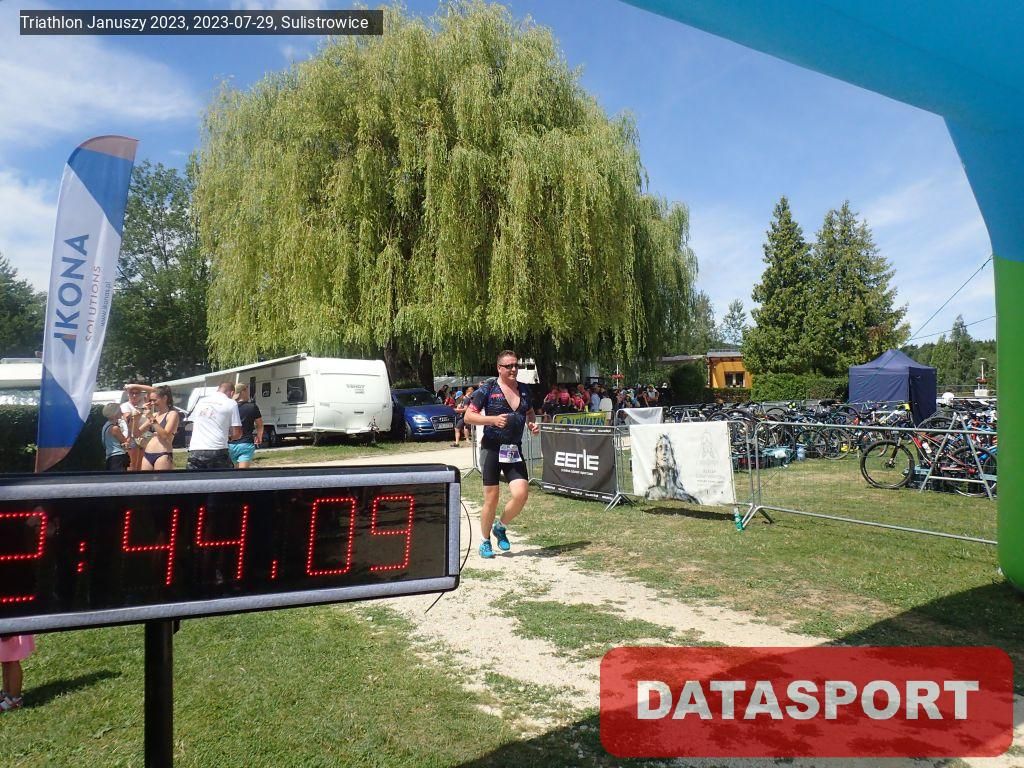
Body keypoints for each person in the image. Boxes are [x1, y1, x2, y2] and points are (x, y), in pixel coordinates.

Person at [464, 350, 540, 559]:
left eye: (516, 365)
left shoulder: (524, 389)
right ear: (499, 368)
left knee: (521, 493)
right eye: (509, 366)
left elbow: (529, 412)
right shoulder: (488, 388)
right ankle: (485, 541)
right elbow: (469, 416)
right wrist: (492, 420)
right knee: (492, 498)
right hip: (492, 448)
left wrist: (532, 424)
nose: (514, 369)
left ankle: (500, 527)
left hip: (513, 449)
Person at [187, 382, 242, 470]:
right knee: (224, 477)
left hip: (196, 448)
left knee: (196, 478)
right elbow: (237, 433)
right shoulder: (231, 403)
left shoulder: (201, 402)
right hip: (218, 448)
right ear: (232, 393)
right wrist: (230, 437)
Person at [127, 384, 179, 471]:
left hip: (163, 454)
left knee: (160, 480)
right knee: (146, 479)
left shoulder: (172, 414)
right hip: (147, 454)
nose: (152, 403)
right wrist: (136, 419)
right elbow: (136, 434)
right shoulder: (155, 415)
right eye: (151, 401)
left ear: (165, 398)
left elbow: (165, 436)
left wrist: (151, 418)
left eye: (155, 400)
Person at [229, 384, 264, 468]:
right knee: (242, 473)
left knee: (234, 471)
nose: (248, 394)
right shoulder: (252, 407)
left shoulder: (229, 406)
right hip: (246, 443)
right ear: (243, 392)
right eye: (247, 391)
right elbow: (259, 424)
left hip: (230, 444)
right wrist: (259, 437)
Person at [0, 634, 34, 712]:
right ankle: (6, 693)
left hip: (10, 630)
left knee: (12, 659)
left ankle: (14, 698)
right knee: (5, 658)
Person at [120, 387, 146, 471]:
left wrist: (135, 385)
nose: (134, 395)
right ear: (128, 394)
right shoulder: (125, 406)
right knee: (132, 464)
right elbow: (128, 419)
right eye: (132, 393)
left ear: (141, 394)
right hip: (131, 437)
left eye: (137, 393)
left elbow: (153, 390)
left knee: (141, 464)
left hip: (143, 436)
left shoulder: (143, 404)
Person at [101, 402, 130, 472]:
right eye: (119, 410)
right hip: (118, 458)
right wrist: (129, 424)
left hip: (111, 457)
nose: (121, 412)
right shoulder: (114, 428)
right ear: (115, 413)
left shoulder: (106, 425)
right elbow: (125, 440)